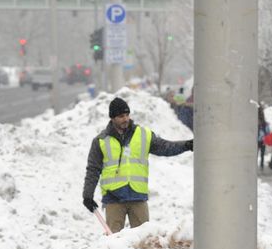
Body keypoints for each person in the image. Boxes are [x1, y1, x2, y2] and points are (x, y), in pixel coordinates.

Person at [82, 96, 193, 233]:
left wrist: (186, 145)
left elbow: (166, 147)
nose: (126, 119)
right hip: (113, 199)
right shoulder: (100, 141)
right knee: (113, 244)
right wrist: (87, 195)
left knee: (144, 241)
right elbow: (93, 169)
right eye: (121, 116)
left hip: (138, 197)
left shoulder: (143, 135)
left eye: (127, 114)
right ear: (112, 118)